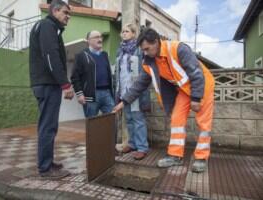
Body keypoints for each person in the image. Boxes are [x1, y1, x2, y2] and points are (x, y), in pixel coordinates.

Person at [113, 28, 215, 173]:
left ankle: (201, 158)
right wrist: (123, 102)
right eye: (143, 50)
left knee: (203, 124)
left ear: (156, 42)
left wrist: (197, 98)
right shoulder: (149, 62)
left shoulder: (178, 48)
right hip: (184, 90)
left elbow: (196, 73)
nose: (145, 53)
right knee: (177, 120)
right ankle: (175, 156)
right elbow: (139, 85)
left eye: (147, 49)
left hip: (202, 85)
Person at [29, 0, 74, 178]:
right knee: (48, 127)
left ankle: (47, 161)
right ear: (55, 11)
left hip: (45, 84)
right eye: (65, 12)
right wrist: (65, 84)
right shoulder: (47, 26)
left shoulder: (47, 27)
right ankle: (45, 168)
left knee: (48, 126)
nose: (68, 17)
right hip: (47, 84)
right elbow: (50, 57)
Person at [115, 24, 150, 160]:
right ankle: (133, 143)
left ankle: (142, 147)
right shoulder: (120, 51)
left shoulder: (139, 50)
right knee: (128, 119)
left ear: (134, 34)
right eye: (122, 31)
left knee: (138, 119)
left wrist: (138, 88)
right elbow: (118, 73)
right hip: (124, 90)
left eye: (127, 31)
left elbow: (144, 71)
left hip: (136, 90)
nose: (124, 33)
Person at [71, 30, 114, 118]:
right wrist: (79, 94)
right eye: (96, 37)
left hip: (107, 94)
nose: (100, 39)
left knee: (112, 121)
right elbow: (75, 77)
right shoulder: (81, 55)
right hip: (91, 95)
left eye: (100, 37)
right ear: (88, 41)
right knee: (92, 125)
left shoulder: (105, 55)